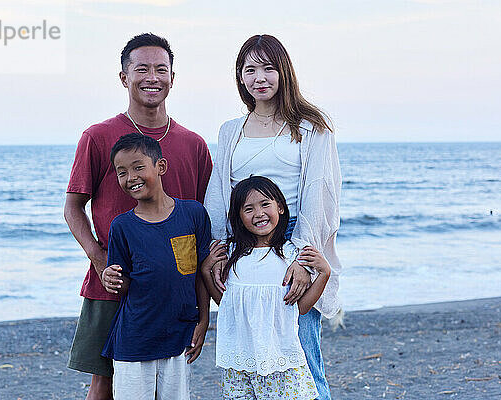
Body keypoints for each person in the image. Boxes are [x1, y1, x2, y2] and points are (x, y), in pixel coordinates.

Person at [65, 33, 212, 400]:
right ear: (123, 77)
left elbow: (200, 227)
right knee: (105, 381)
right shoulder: (98, 136)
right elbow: (72, 208)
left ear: (172, 79)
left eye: (161, 69)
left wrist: (201, 302)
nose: (152, 77)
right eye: (141, 69)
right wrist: (100, 261)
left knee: (170, 381)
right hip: (112, 283)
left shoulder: (193, 144)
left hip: (172, 291)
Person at [204, 34, 342, 399]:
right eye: (250, 70)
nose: (259, 78)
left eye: (268, 68)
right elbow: (220, 193)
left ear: (284, 71)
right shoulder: (230, 130)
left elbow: (319, 192)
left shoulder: (311, 126)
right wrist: (217, 250)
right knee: (250, 352)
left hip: (293, 237)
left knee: (300, 351)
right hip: (244, 244)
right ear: (240, 77)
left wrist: (303, 256)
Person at [100, 133, 211, 400]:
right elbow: (124, 284)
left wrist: (204, 319)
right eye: (122, 172)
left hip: (178, 336)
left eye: (139, 167)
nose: (131, 177)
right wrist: (110, 278)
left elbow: (200, 274)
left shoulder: (193, 214)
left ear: (160, 167)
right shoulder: (122, 226)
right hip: (134, 341)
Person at [202, 176, 331, 399]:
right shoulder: (232, 254)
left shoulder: (292, 255)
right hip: (238, 362)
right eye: (248, 209)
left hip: (280, 360)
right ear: (239, 218)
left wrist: (324, 273)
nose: (258, 213)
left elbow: (299, 309)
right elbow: (226, 305)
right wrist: (206, 271)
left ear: (280, 207)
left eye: (265, 204)